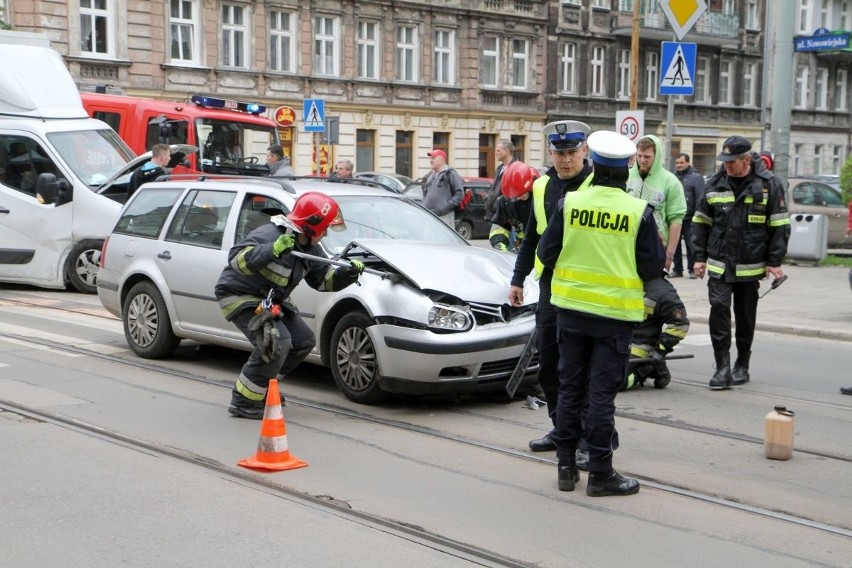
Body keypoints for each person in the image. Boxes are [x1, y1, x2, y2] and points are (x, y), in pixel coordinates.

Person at [537, 130, 664, 496]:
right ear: (626, 167)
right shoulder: (638, 211)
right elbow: (652, 269)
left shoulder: (571, 204)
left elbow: (546, 254)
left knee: (570, 389)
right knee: (601, 396)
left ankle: (565, 469)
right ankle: (600, 473)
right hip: (613, 318)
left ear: (593, 163)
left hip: (571, 313)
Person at [214, 192, 365, 418]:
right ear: (312, 226)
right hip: (239, 295)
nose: (325, 234)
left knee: (303, 342)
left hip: (270, 300)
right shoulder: (270, 234)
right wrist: (272, 250)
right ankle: (244, 400)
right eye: (324, 228)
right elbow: (236, 260)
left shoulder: (310, 248)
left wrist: (347, 274)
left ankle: (264, 386)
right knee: (276, 342)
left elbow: (322, 280)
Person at [508, 120, 593, 454]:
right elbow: (532, 236)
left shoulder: (598, 186)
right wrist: (518, 278)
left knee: (581, 369)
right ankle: (562, 430)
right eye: (559, 153)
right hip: (550, 287)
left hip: (586, 290)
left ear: (584, 151)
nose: (566, 160)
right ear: (550, 153)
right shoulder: (543, 186)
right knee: (550, 365)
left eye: (572, 152)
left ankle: (588, 436)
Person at [692, 136, 790, 390]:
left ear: (747, 159)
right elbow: (700, 223)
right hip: (719, 263)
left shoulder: (769, 185)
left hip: (751, 264)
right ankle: (722, 367)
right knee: (719, 311)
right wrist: (699, 257)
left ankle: (742, 365)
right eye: (723, 161)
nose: (726, 166)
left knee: (745, 318)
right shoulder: (714, 184)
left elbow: (779, 225)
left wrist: (774, 261)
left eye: (731, 161)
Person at [627, 135, 687, 277]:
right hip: (626, 246)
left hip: (655, 248)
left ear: (657, 155)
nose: (642, 160)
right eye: (639, 155)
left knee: (653, 293)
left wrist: (669, 255)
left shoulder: (670, 182)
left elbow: (676, 220)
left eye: (647, 157)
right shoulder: (626, 177)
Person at [621, 276, 690, 391]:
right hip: (613, 341)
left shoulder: (663, 291)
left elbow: (680, 325)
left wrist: (660, 351)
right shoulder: (621, 278)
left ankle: (646, 369)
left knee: (613, 382)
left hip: (638, 348)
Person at [488, 161, 535, 252]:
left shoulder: (541, 198)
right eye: (516, 196)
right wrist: (499, 244)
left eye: (522, 195)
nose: (518, 198)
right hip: (522, 250)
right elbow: (500, 226)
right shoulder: (506, 201)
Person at [673, 153, 704, 278]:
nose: (679, 165)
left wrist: (698, 215)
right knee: (675, 245)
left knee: (691, 244)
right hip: (676, 216)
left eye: (681, 163)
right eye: (677, 163)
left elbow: (700, 197)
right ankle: (677, 269)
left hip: (690, 217)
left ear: (688, 163)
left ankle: (692, 269)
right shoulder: (673, 177)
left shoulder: (696, 178)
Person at [421, 149, 464, 227]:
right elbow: (425, 193)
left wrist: (444, 208)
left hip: (444, 217)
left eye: (433, 158)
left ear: (441, 159)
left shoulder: (451, 174)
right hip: (429, 217)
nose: (431, 161)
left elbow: (459, 194)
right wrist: (424, 205)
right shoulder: (430, 176)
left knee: (443, 239)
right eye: (430, 159)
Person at [484, 139, 516, 220]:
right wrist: (487, 198)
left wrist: (500, 204)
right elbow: (493, 188)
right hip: (494, 215)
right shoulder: (499, 168)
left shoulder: (516, 168)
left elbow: (514, 195)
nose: (495, 153)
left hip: (507, 217)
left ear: (507, 151)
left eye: (498, 151)